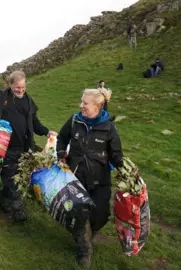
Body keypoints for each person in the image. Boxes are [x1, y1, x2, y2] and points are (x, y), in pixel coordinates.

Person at [56, 88, 124, 267]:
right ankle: (84, 249)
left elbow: (116, 153)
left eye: (85, 103)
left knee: (101, 215)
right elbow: (62, 138)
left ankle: (87, 233)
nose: (81, 106)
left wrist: (123, 168)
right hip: (75, 177)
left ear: (98, 106)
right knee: (79, 214)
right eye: (81, 101)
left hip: (100, 180)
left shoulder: (109, 127)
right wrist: (61, 152)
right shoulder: (74, 120)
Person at [0, 70, 57, 222]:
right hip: (3, 146)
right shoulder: (0, 96)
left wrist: (46, 132)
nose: (21, 90)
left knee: (17, 176)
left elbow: (35, 123)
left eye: (23, 87)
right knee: (12, 178)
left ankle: (3, 200)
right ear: (10, 84)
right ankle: (18, 210)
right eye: (17, 87)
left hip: (24, 147)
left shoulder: (28, 101)